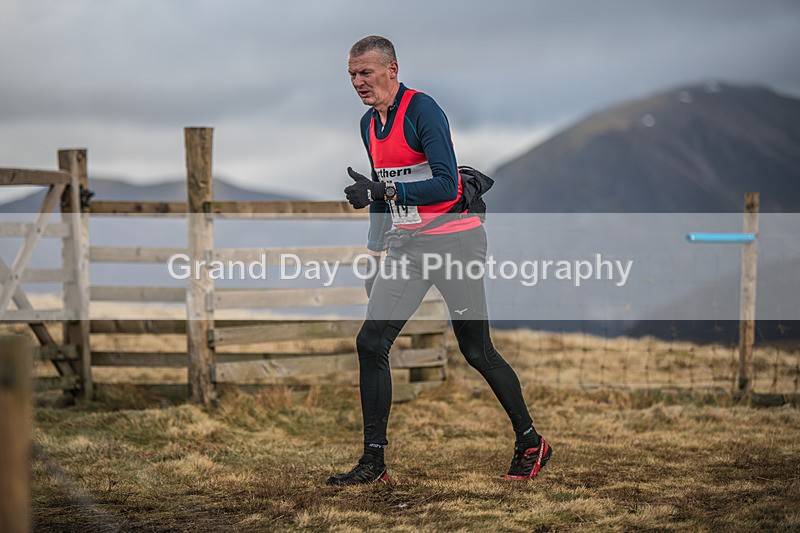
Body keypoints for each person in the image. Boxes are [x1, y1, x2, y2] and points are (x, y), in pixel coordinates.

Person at [326, 35, 551, 486]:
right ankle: (374, 464)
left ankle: (531, 442)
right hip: (408, 248)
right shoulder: (369, 124)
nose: (357, 82)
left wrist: (385, 191)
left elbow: (447, 186)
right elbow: (380, 192)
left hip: (456, 244)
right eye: (351, 74)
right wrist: (374, 250)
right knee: (371, 343)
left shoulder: (422, 110)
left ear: (392, 69)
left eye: (365, 72)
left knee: (475, 350)